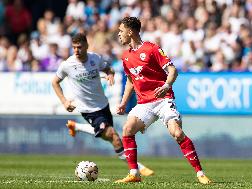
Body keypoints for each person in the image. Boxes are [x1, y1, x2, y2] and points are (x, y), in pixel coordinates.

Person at [115, 17, 211, 184]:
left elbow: (173, 70)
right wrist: (123, 102)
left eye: (121, 31)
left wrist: (167, 85)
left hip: (163, 99)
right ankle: (134, 173)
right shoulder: (126, 57)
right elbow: (131, 80)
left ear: (130, 32)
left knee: (177, 133)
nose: (119, 34)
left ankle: (200, 173)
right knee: (127, 129)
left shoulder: (152, 49)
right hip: (144, 103)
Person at [51, 33, 154, 177]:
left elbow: (107, 68)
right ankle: (138, 168)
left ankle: (76, 126)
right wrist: (64, 101)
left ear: (86, 46)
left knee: (105, 135)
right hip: (88, 110)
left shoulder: (95, 58)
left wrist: (110, 74)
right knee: (114, 137)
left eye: (79, 47)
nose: (76, 51)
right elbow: (54, 82)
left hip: (103, 106)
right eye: (74, 48)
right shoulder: (67, 65)